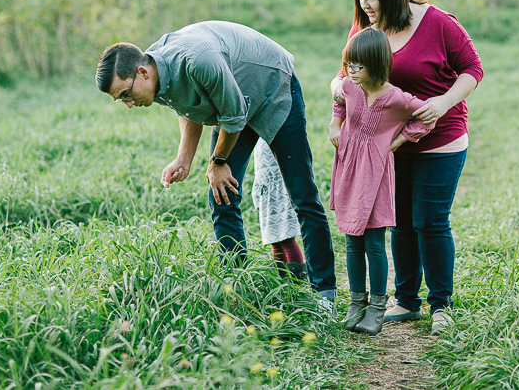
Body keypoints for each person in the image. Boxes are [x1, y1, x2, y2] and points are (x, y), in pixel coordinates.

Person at [95, 20, 337, 311]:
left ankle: (325, 295)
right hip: (234, 101)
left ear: (142, 72)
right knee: (220, 194)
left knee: (301, 193)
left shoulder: (197, 60)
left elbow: (234, 114)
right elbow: (187, 104)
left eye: (125, 94)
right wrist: (184, 158)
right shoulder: (154, 75)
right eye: (121, 100)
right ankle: (238, 289)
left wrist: (219, 161)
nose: (128, 104)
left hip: (272, 86)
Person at [330, 0, 483, 334]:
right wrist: (336, 92)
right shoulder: (365, 27)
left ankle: (441, 306)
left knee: (430, 222)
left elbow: (473, 69)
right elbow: (347, 71)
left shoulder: (439, 23)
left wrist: (443, 103)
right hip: (387, 148)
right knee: (398, 223)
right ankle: (408, 300)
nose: (366, 5)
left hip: (440, 139)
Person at [329, 27, 434, 336]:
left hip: (375, 175)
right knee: (351, 240)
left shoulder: (396, 98)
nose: (350, 71)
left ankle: (376, 306)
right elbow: (339, 100)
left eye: (358, 65)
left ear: (376, 64)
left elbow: (427, 117)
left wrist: (401, 139)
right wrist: (335, 125)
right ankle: (356, 303)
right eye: (349, 64)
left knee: (374, 242)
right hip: (348, 168)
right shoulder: (349, 86)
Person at [251, 138, 307, 281]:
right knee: (275, 242)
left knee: (286, 239)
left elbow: (291, 157)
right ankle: (282, 281)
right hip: (266, 192)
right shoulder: (256, 138)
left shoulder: (276, 130)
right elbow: (257, 170)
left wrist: (291, 184)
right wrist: (257, 193)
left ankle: (298, 282)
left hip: (282, 191)